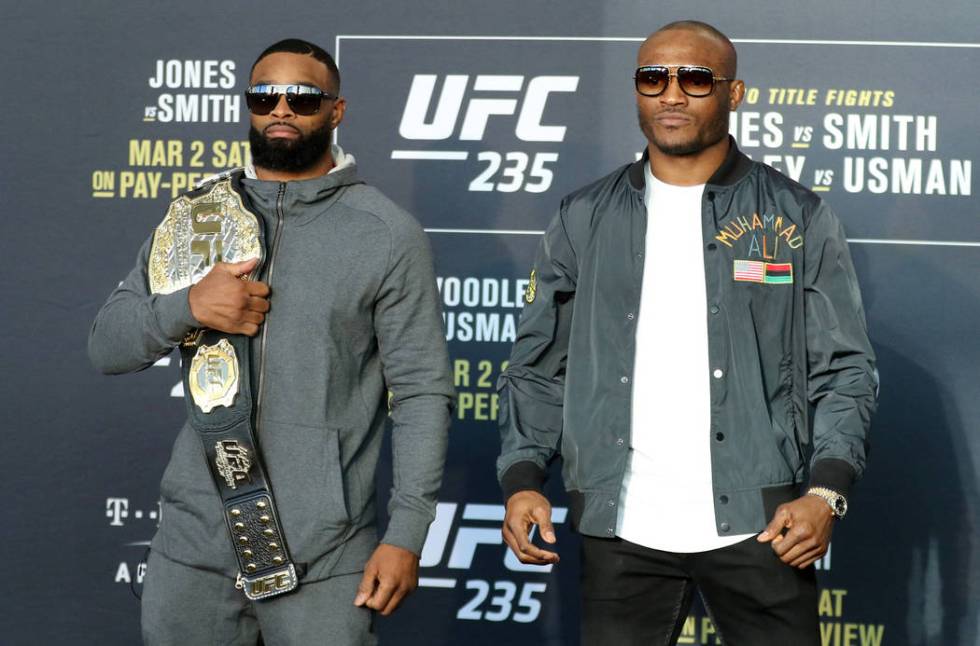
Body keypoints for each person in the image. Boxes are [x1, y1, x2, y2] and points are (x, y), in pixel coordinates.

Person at [497, 21, 877, 646]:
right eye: (653, 78)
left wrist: (826, 491)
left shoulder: (796, 215)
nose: (671, 94)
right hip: (622, 529)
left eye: (695, 79)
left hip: (762, 525)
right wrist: (522, 480)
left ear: (734, 93)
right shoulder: (583, 216)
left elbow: (845, 369)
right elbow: (538, 364)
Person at [89, 38, 453, 645]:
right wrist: (189, 306)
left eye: (303, 98)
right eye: (265, 96)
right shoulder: (198, 218)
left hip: (325, 557)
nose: (281, 109)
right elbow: (107, 346)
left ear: (336, 112)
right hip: (193, 553)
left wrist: (406, 533)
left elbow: (420, 393)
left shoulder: (386, 234)